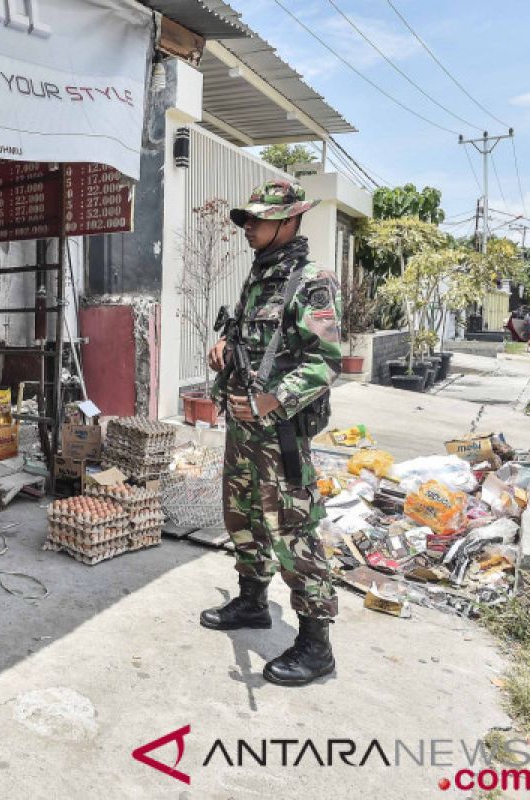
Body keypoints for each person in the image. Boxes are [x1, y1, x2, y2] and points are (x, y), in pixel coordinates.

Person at [200, 179, 342, 687]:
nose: (249, 228)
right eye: (247, 220)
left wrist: (272, 398)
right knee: (241, 515)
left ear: (290, 221)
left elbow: (326, 362)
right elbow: (252, 339)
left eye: (258, 220)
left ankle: (315, 643)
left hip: (279, 430)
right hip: (243, 424)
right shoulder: (260, 278)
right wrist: (224, 344)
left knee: (293, 530)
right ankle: (252, 601)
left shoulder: (311, 281)